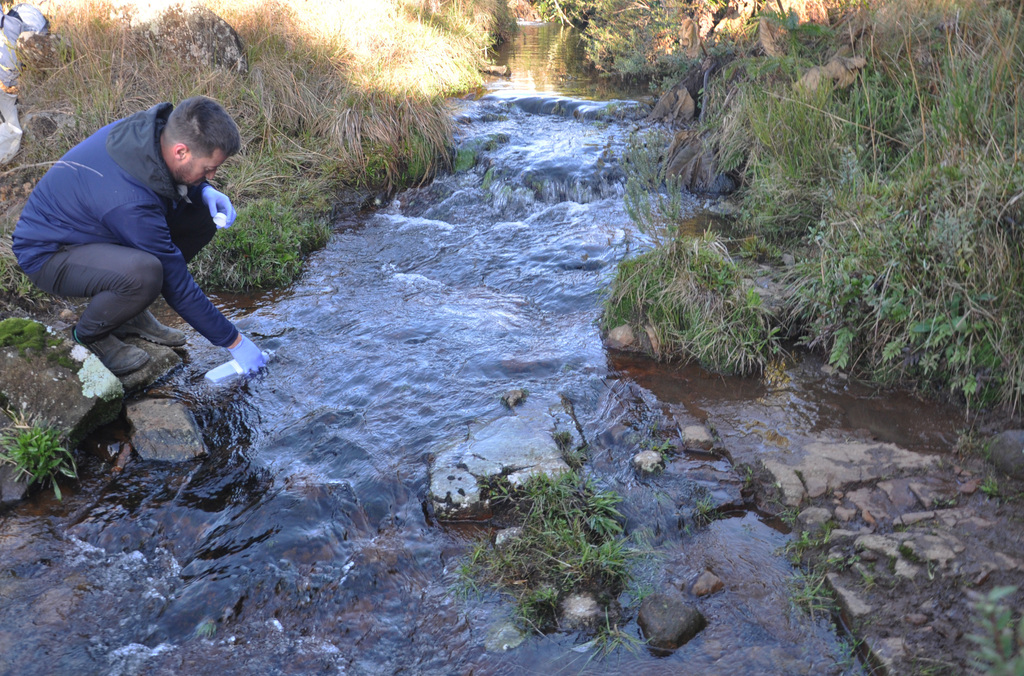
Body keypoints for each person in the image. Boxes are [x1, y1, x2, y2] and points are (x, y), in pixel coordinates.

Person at [11, 96, 267, 376]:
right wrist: (235, 342)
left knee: (202, 215)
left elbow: (166, 180)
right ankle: (91, 336)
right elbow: (175, 282)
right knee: (145, 274)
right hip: (50, 253)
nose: (213, 175)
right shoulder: (130, 201)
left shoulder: (152, 135)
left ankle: (128, 313)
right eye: (208, 169)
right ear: (181, 151)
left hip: (95, 228)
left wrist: (202, 190)